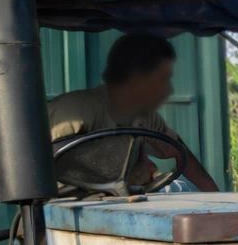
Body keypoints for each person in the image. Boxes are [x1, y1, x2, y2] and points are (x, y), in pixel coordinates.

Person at [47, 32, 219, 193]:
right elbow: (42, 165)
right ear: (137, 77)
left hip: (118, 203)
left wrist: (218, 201)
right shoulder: (75, 112)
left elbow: (181, 154)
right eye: (163, 79)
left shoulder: (146, 117)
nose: (169, 89)